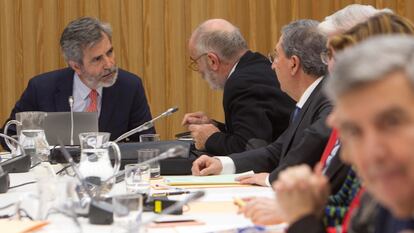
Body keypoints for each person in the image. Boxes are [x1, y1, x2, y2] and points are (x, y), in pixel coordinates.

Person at [276, 35, 414, 233]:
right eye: (355, 132)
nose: (372, 153)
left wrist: (303, 220)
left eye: (392, 122)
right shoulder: (385, 202)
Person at [191, 19, 332, 187]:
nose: (272, 66)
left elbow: (304, 154)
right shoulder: (312, 98)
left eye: (276, 56)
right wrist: (223, 164)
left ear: (293, 64)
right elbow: (277, 151)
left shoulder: (327, 101)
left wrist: (269, 178)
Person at [0, 17, 154, 148]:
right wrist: (39, 150)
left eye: (109, 52)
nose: (109, 64)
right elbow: (9, 136)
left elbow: (146, 143)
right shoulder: (41, 88)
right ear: (76, 66)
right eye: (97, 59)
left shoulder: (130, 87)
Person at [182, 19, 295, 156]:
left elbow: (249, 150)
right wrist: (214, 127)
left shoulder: (242, 83)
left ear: (212, 61)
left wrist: (210, 138)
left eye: (196, 62)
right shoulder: (257, 65)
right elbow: (256, 134)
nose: (199, 70)